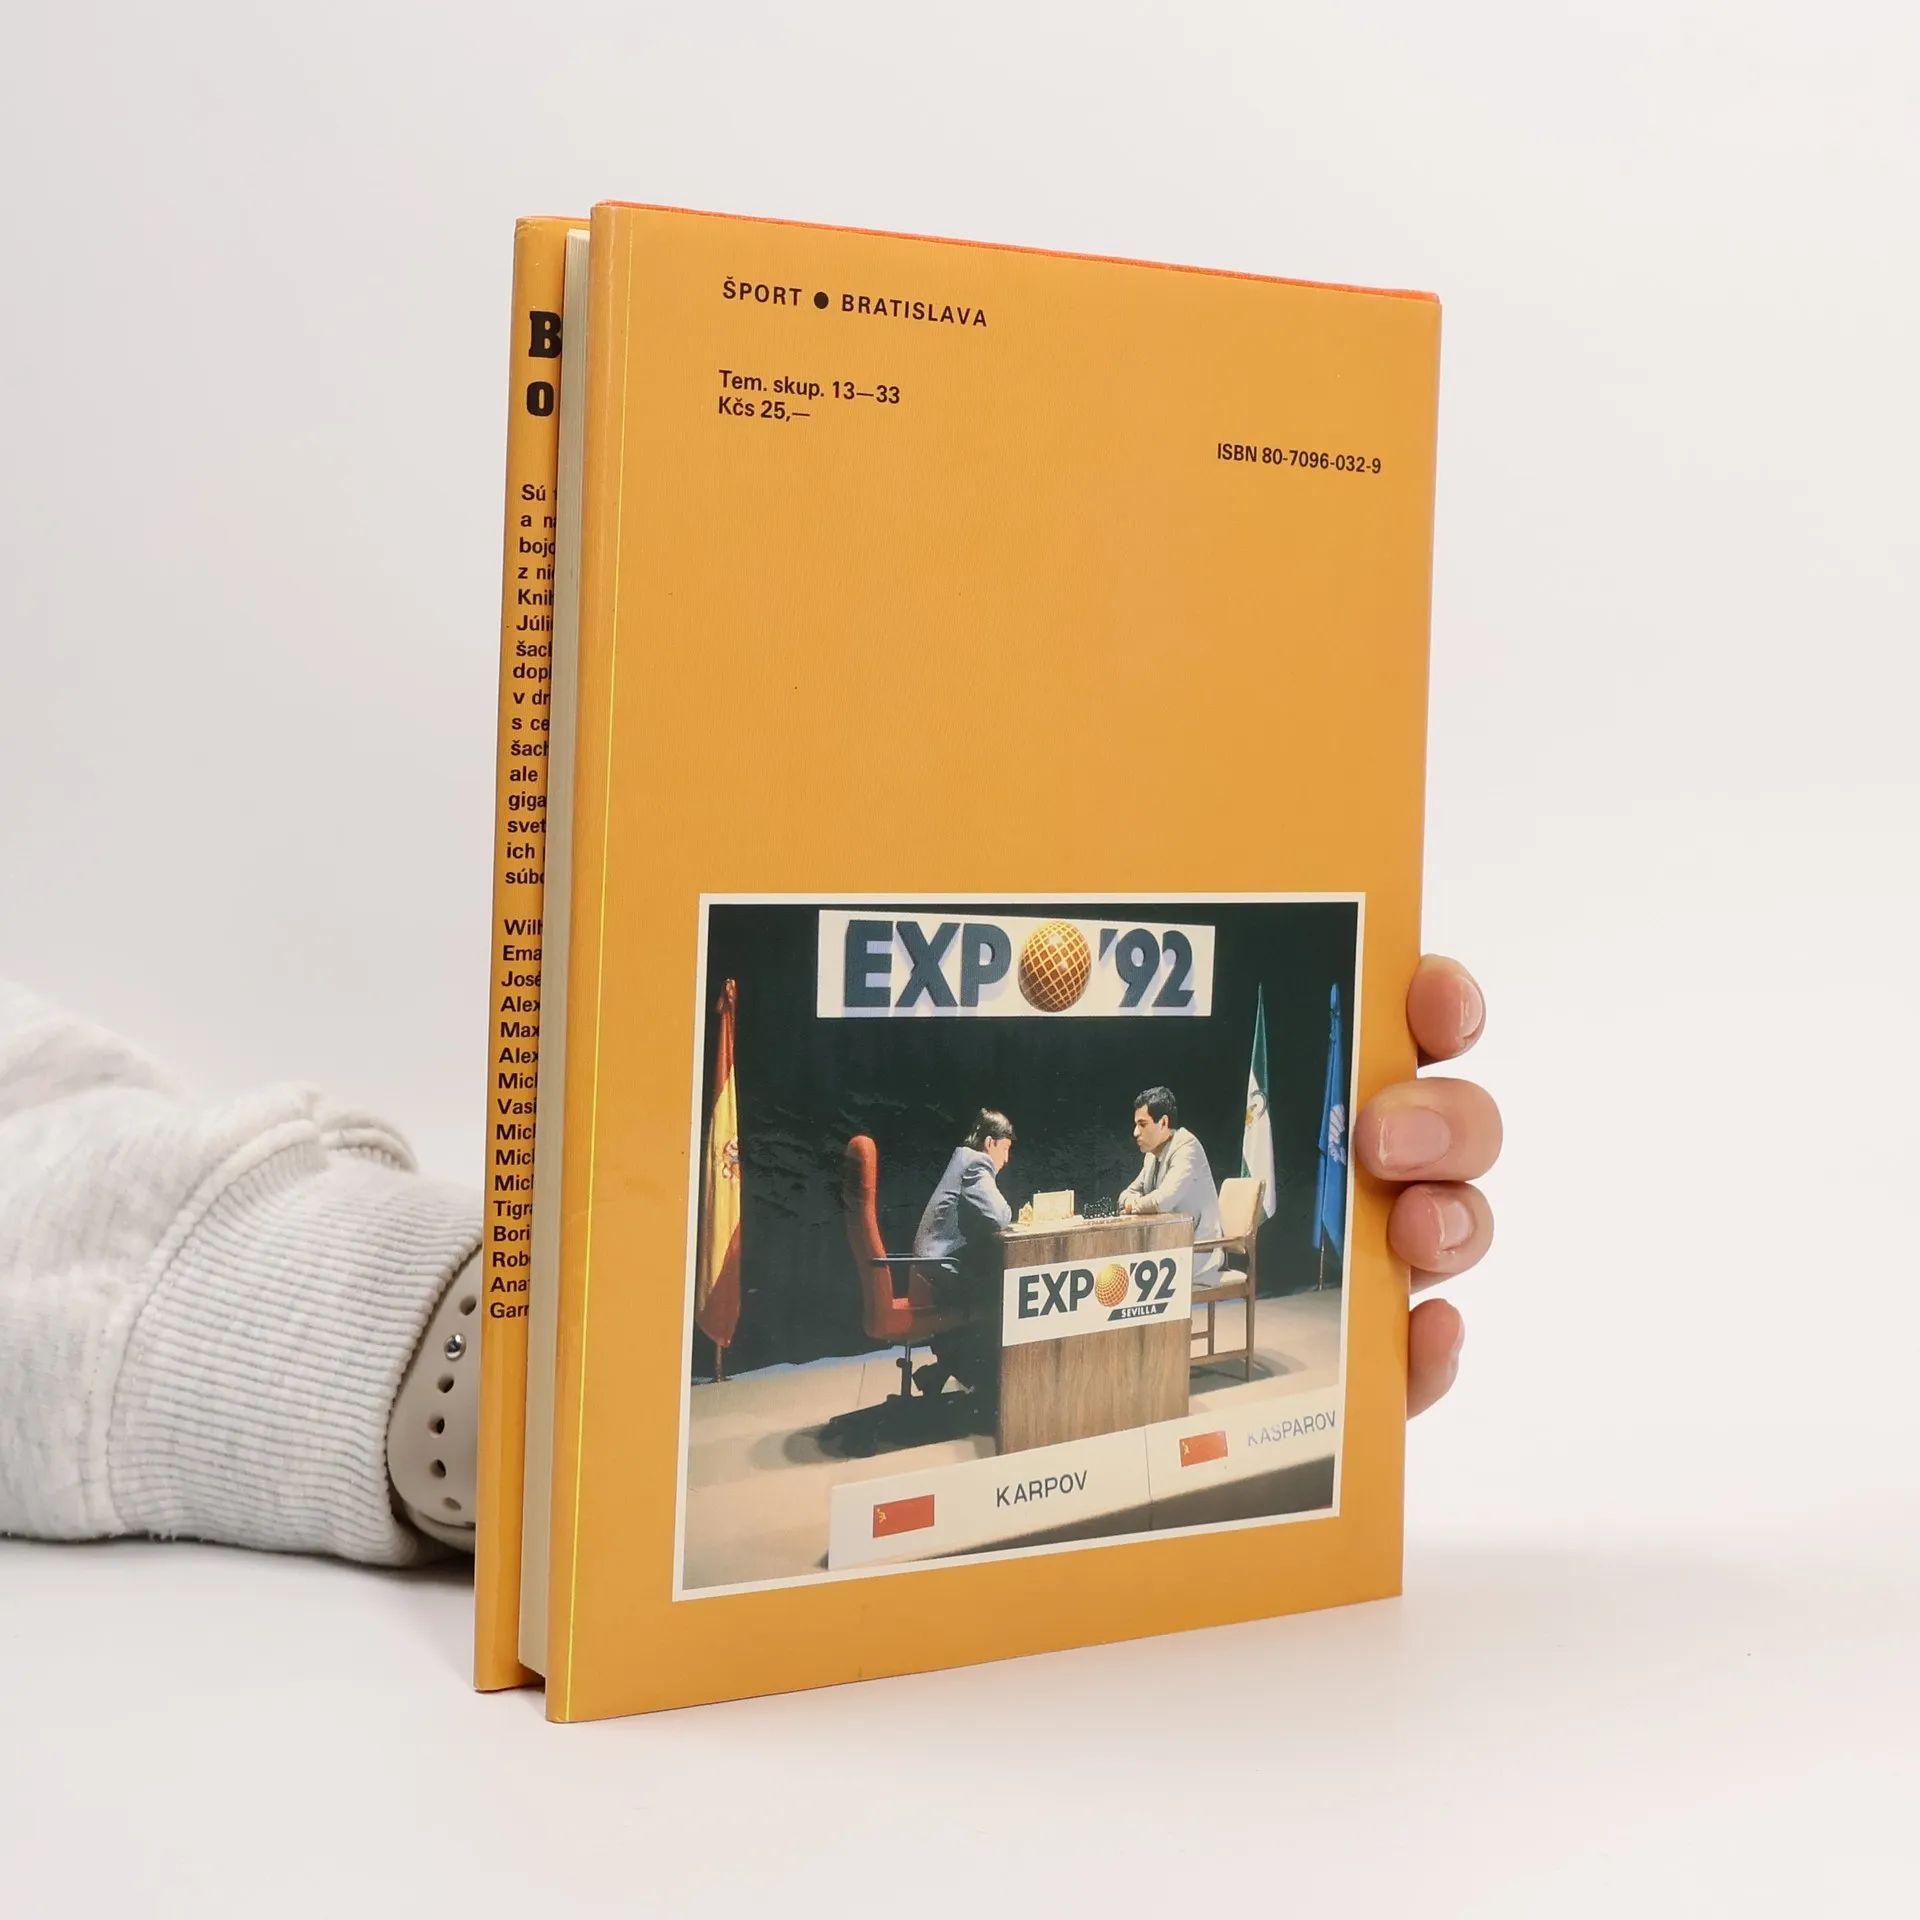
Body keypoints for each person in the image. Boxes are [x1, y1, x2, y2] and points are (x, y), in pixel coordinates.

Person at [0, 956, 1496, 1564]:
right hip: (341, 1338)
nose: (1151, 1127)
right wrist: (399, 1338)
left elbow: (61, 1098)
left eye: (1157, 1119)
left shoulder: (1128, 1164)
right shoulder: (978, 1181)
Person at [908, 1107, 1015, 1399]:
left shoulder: (963, 1159)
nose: (1006, 1159)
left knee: (993, 1287)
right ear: (990, 1142)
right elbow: (1000, 1216)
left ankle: (944, 1371)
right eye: (1005, 1149)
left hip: (930, 1265)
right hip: (940, 1267)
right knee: (1006, 1296)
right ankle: (988, 1387)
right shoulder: (976, 1163)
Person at [1117, 1084, 1225, 1284]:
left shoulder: (1187, 1147)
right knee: (1121, 1272)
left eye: (1142, 1124)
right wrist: (1130, 1200)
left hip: (1198, 1252)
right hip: (1170, 1248)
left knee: (1133, 1279)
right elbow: (1126, 1193)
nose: (1135, 1132)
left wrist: (1132, 1205)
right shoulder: (1152, 1155)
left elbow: (1162, 1201)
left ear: (1163, 1122)